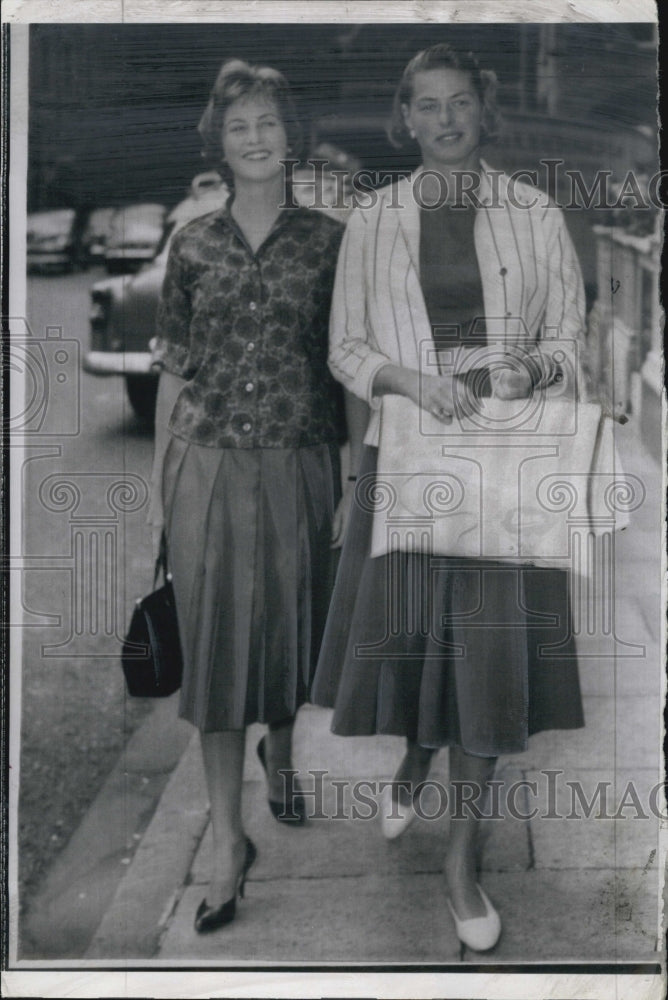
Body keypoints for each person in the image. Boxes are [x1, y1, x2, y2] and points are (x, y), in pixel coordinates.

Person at [312, 43, 591, 952]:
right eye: (426, 105)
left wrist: (525, 367)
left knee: (491, 661)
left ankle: (462, 860)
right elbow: (345, 348)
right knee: (421, 646)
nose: (444, 119)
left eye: (459, 101)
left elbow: (570, 340)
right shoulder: (375, 220)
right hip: (414, 453)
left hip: (509, 458)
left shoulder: (535, 213)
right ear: (407, 117)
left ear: (484, 110)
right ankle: (412, 760)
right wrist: (406, 380)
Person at [149, 59, 345, 933]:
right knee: (218, 655)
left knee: (286, 632)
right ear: (217, 142)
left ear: (288, 131)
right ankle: (231, 843)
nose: (256, 136)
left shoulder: (331, 241)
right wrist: (165, 490)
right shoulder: (190, 244)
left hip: (300, 462)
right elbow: (172, 372)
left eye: (268, 120)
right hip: (209, 465)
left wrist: (350, 478)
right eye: (239, 126)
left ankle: (284, 746)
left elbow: (346, 372)